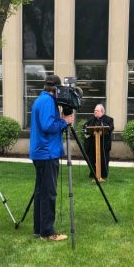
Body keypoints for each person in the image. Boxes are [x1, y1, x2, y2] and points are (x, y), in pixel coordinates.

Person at [29, 75, 74, 241]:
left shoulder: (40, 100)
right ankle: (47, 232)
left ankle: (39, 228)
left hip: (40, 152)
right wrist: (64, 122)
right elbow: (48, 126)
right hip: (47, 152)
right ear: (55, 89)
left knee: (41, 192)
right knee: (48, 193)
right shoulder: (48, 101)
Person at [83, 104, 114, 179]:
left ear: (102, 112)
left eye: (97, 110)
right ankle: (93, 173)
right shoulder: (91, 119)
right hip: (92, 144)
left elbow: (110, 128)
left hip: (103, 145)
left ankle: (103, 175)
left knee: (103, 160)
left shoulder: (109, 119)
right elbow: (85, 126)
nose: (95, 112)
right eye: (94, 110)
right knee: (90, 159)